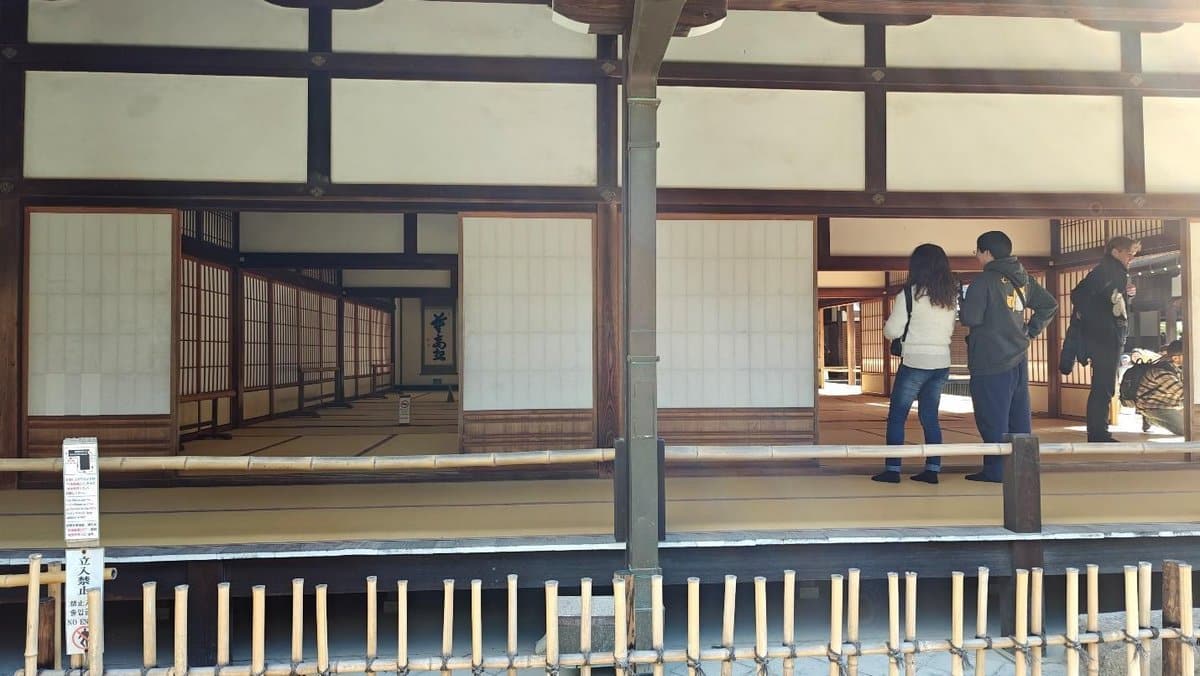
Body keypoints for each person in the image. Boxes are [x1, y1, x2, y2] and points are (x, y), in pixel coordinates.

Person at [960, 231, 1058, 482]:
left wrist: (963, 301)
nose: (977, 257)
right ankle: (1022, 470)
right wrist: (1029, 331)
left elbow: (971, 318)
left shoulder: (983, 282)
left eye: (977, 252)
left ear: (986, 253)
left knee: (992, 417)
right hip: (1018, 356)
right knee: (1018, 419)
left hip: (990, 358)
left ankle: (995, 471)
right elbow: (1049, 305)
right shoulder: (1023, 278)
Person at [872, 244, 958, 485]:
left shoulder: (909, 294)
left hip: (915, 362)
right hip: (941, 362)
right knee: (930, 417)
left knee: (897, 416)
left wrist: (891, 329)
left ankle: (892, 469)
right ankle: (932, 469)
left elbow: (892, 330)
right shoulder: (949, 296)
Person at [1071, 236, 1141, 442]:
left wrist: (1126, 295)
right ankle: (1098, 432)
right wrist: (1101, 317)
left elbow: (1109, 301)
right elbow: (1079, 295)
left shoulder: (1113, 272)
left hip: (1107, 335)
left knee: (1104, 385)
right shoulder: (1106, 271)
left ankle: (1099, 431)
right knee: (1103, 386)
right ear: (1115, 252)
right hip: (1105, 336)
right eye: (1129, 254)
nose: (1131, 258)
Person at [1123, 340, 1185, 437]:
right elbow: (1183, 393)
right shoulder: (1162, 373)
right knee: (1187, 430)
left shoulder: (1172, 367)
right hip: (1154, 406)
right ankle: (1150, 419)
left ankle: (1151, 419)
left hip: (1165, 402)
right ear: (1176, 358)